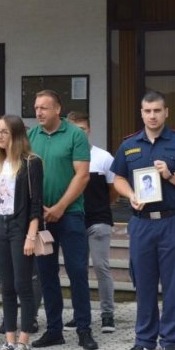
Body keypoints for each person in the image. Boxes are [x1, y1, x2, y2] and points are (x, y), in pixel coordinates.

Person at [111, 90, 175, 350]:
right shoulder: (129, 145)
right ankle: (144, 339)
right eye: (147, 111)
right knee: (144, 282)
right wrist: (130, 195)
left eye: (157, 111)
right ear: (141, 113)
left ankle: (171, 339)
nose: (152, 116)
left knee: (173, 282)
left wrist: (170, 175)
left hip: (172, 221)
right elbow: (118, 178)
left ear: (166, 113)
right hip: (141, 224)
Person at [27, 90, 98, 350]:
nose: (39, 112)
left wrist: (59, 206)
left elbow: (82, 176)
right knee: (46, 274)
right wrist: (38, 209)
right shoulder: (30, 136)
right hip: (41, 218)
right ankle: (54, 330)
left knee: (77, 272)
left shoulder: (75, 135)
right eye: (36, 108)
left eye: (44, 108)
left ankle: (84, 329)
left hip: (70, 215)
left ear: (57, 109)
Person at [0, 115, 43, 350]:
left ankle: (24, 342)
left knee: (22, 285)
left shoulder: (31, 163)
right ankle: (9, 340)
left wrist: (31, 235)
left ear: (16, 135)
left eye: (5, 132)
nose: (0, 137)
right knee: (6, 286)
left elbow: (36, 204)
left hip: (21, 228)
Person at [67, 111, 119, 333]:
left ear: (89, 130)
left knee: (100, 266)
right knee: (77, 269)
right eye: (75, 130)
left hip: (98, 220)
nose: (79, 134)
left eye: (83, 129)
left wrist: (101, 205)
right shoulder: (65, 158)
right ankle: (80, 314)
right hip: (73, 220)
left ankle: (107, 314)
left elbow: (114, 189)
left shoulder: (104, 157)